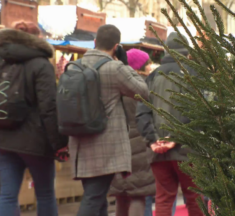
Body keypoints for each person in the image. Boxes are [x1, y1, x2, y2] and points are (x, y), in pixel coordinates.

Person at [0, 21, 68, 216]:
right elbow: (48, 107)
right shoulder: (41, 63)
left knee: (7, 195)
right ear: (37, 38)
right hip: (33, 140)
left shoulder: (1, 61)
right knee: (45, 193)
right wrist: (59, 143)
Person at [68, 24, 149, 216]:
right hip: (106, 144)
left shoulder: (74, 66)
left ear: (94, 42)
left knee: (97, 197)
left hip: (78, 141)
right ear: (117, 46)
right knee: (94, 199)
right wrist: (124, 64)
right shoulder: (114, 68)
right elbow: (143, 92)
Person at [136, 32, 203, 216]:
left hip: (158, 152)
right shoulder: (194, 74)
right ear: (186, 51)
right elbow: (198, 111)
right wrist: (175, 137)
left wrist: (153, 140)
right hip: (189, 151)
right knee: (195, 199)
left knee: (164, 199)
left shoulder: (152, 76)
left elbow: (142, 113)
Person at [108, 48, 155, 216]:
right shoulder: (144, 86)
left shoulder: (117, 85)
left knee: (121, 196)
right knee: (138, 196)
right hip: (140, 146)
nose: (150, 67)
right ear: (138, 67)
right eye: (147, 63)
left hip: (117, 143)